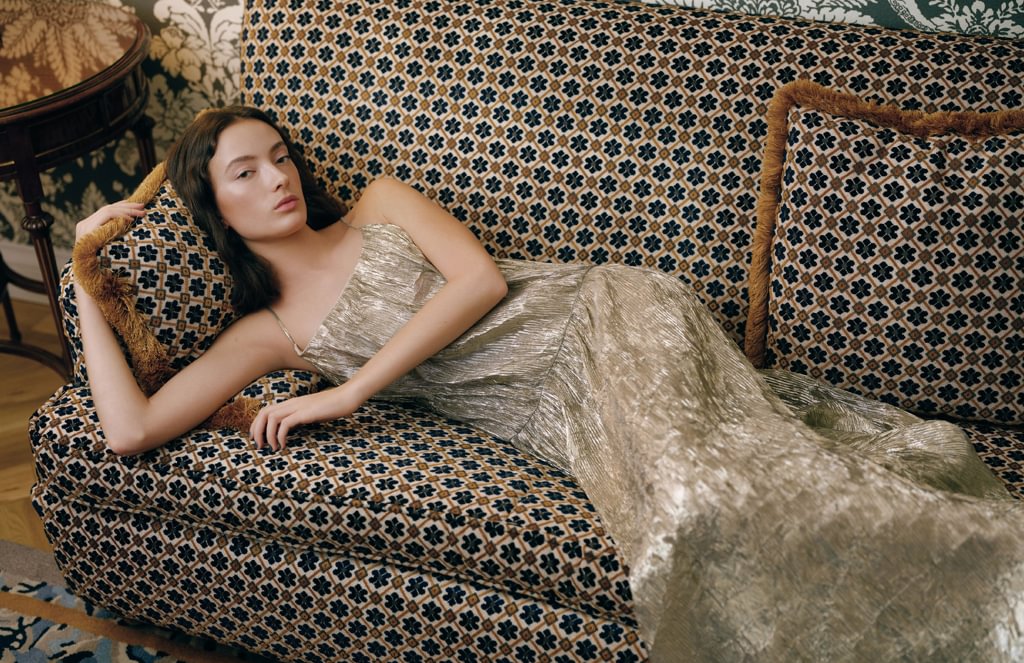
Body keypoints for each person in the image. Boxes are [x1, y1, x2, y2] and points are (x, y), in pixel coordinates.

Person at [75, 106, 1024, 661]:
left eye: (279, 157)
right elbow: (131, 429)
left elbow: (481, 283)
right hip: (549, 409)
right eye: (245, 173)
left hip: (605, 315)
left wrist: (348, 391)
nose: (277, 178)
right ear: (214, 206)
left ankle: (999, 569)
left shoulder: (378, 207)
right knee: (705, 512)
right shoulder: (267, 334)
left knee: (714, 492)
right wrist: (85, 280)